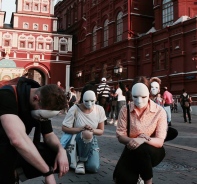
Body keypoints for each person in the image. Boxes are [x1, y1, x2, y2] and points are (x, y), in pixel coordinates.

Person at [0, 77, 69, 184]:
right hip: (4, 148)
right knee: (7, 149)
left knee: (60, 157)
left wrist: (61, 150)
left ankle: (16, 172)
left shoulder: (44, 99)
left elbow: (49, 135)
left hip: (13, 149)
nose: (41, 119)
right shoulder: (6, 95)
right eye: (41, 115)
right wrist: (47, 172)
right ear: (36, 98)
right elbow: (17, 140)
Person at [114, 76, 167, 184]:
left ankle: (148, 181)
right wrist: (134, 141)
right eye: (135, 96)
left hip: (153, 150)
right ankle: (138, 174)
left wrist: (142, 140)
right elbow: (120, 135)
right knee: (121, 179)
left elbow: (160, 141)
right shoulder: (125, 109)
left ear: (149, 93)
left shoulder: (159, 111)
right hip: (132, 149)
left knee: (142, 149)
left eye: (143, 96)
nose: (139, 101)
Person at [62, 84, 106, 175]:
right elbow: (64, 128)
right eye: (86, 100)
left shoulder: (99, 109)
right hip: (76, 140)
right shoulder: (75, 109)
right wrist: (80, 129)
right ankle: (81, 161)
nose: (89, 104)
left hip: (91, 140)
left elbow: (101, 131)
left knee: (93, 168)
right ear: (83, 98)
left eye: (92, 101)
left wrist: (92, 130)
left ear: (96, 98)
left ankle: (81, 158)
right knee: (86, 133)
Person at [150, 77, 178, 142]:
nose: (154, 89)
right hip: (147, 126)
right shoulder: (145, 99)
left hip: (157, 125)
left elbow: (162, 114)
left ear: (159, 90)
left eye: (156, 87)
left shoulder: (159, 101)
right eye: (152, 87)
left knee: (173, 132)